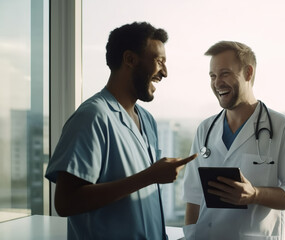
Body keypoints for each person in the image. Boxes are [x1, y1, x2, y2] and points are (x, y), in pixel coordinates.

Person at [45, 22, 196, 240]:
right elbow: (66, 202)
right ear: (130, 59)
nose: (165, 72)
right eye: (159, 61)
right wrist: (150, 176)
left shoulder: (147, 120)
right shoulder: (92, 117)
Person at [182, 41, 285, 240]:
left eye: (225, 73)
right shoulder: (205, 129)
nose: (217, 83)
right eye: (213, 76)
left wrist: (255, 194)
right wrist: (191, 235)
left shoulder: (283, 127)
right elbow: (193, 196)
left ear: (248, 73)